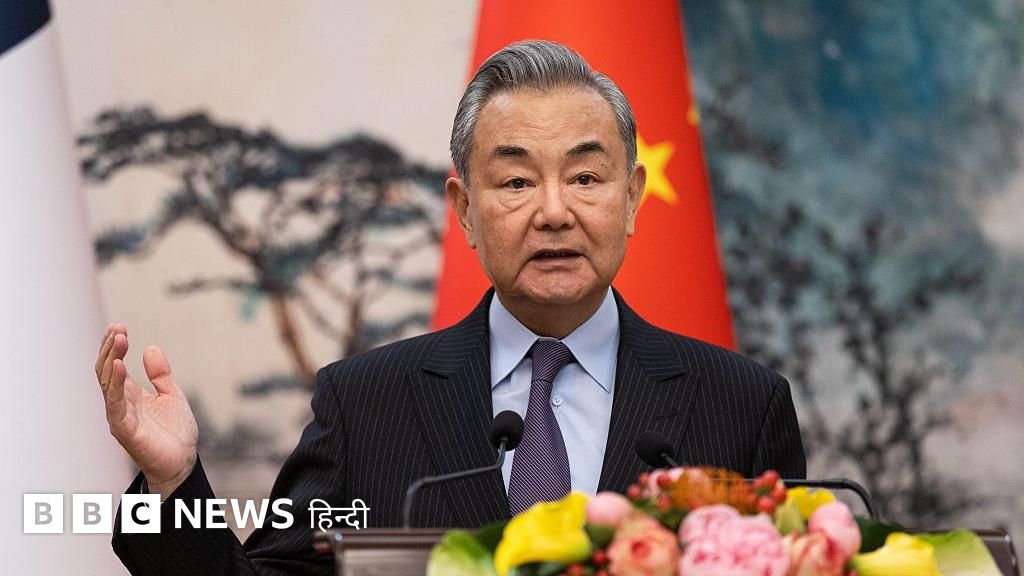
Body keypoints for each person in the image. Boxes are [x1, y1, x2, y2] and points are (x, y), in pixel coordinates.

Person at [96, 40, 805, 575]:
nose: (554, 211)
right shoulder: (365, 406)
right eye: (517, 182)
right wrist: (172, 482)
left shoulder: (741, 407)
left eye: (586, 177)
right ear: (464, 210)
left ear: (632, 198)